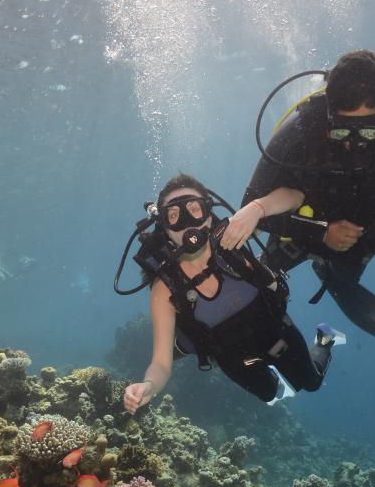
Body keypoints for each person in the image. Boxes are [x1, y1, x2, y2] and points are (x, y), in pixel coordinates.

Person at [222, 49, 375, 341]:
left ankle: (332, 276)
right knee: (254, 290)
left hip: (362, 243)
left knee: (342, 274)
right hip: (297, 234)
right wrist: (322, 233)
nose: (353, 145)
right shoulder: (304, 128)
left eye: (368, 132)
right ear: (329, 111)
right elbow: (249, 212)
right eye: (342, 131)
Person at [123, 173, 345, 415]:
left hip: (276, 333)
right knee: (270, 394)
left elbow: (295, 196)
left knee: (311, 384)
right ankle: (275, 386)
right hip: (232, 359)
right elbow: (160, 363)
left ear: (209, 214)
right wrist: (149, 386)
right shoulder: (164, 289)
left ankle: (325, 339)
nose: (187, 222)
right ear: (165, 228)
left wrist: (257, 208)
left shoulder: (234, 236)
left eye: (194, 209)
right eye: (173, 215)